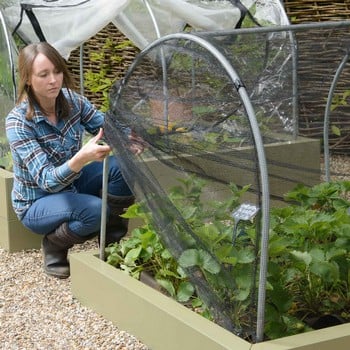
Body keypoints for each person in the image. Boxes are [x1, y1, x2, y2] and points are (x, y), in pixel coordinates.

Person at [6, 42, 144, 279]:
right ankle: (54, 246)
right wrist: (81, 158)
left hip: (72, 183)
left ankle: (111, 243)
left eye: (57, 71)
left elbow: (106, 127)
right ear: (28, 79)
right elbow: (47, 181)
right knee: (94, 210)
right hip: (37, 202)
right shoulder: (18, 123)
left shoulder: (72, 100)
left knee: (122, 167)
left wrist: (132, 137)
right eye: (44, 74)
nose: (53, 80)